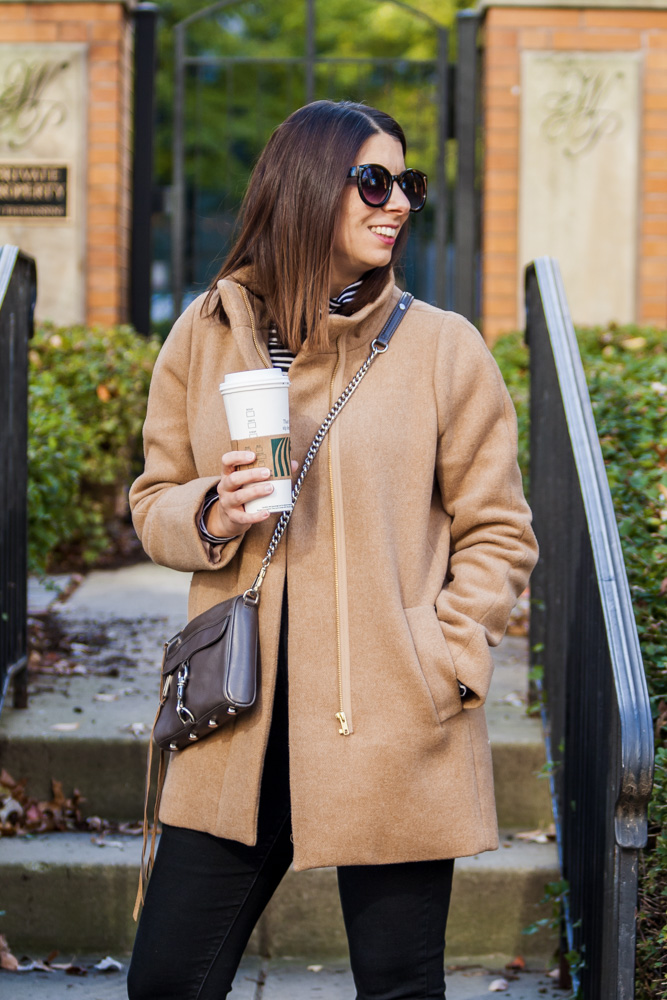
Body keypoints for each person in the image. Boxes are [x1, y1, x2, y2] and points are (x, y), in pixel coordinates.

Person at [127, 99, 538, 1000]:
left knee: (397, 986)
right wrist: (213, 511)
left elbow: (499, 529)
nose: (396, 202)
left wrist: (446, 657)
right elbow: (153, 503)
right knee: (165, 980)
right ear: (307, 186)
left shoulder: (441, 348)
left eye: (407, 184)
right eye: (373, 180)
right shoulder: (205, 335)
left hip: (394, 718)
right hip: (237, 719)